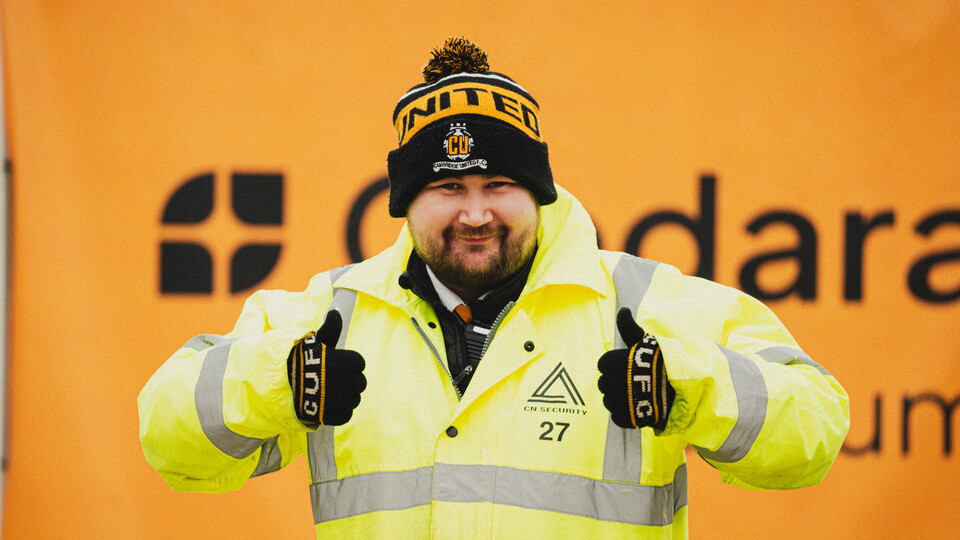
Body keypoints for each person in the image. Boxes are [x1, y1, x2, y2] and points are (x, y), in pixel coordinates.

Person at [138, 37, 850, 538]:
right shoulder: (329, 322)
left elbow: (815, 429)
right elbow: (168, 437)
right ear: (405, 202)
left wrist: (690, 388)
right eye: (447, 186)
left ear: (536, 192)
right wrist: (275, 383)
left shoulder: (642, 306)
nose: (475, 213)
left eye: (499, 184)